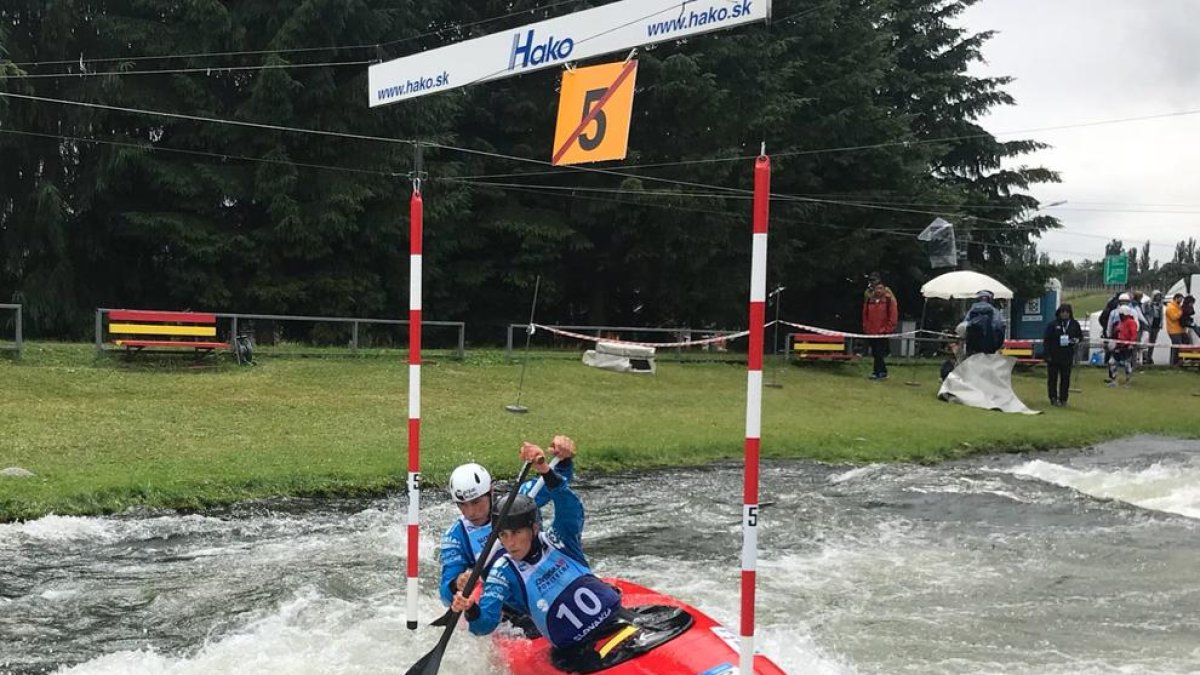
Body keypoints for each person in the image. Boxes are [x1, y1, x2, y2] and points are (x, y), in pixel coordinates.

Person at [452, 442, 691, 673]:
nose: (510, 543)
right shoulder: (502, 572)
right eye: (503, 535)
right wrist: (471, 609)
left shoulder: (559, 539)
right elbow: (484, 625)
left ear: (534, 528)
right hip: (579, 655)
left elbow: (570, 507)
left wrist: (546, 471)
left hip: (620, 620)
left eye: (516, 533)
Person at [439, 436, 577, 611]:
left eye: (476, 502)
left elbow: (558, 482)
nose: (470, 512)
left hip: (551, 577)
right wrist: (456, 584)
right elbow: (444, 594)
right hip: (515, 603)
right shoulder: (455, 537)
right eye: (462, 505)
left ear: (490, 490)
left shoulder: (520, 500)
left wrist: (564, 459)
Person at [1043, 304, 1082, 407]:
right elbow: (1046, 340)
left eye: (1067, 312)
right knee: (1052, 378)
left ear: (1070, 313)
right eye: (1062, 312)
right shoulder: (1053, 324)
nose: (1064, 314)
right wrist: (1047, 355)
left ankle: (1063, 399)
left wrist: (1076, 340)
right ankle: (1053, 397)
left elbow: (1080, 336)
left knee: (1065, 378)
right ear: (1059, 313)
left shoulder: (1074, 324)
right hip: (1054, 355)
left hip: (1067, 356)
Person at [862, 280, 898, 380]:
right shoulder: (869, 300)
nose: (878, 291)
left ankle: (878, 372)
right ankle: (881, 371)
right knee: (875, 352)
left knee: (879, 352)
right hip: (871, 332)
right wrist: (866, 327)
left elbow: (893, 316)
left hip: (882, 332)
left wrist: (887, 329)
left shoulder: (889, 301)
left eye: (880, 288)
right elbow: (865, 315)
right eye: (876, 288)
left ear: (884, 289)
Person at [963, 290, 1006, 356]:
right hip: (990, 345)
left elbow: (965, 324)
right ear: (990, 299)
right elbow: (1001, 324)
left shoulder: (971, 310)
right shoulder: (995, 311)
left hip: (973, 345)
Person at [1107, 307, 1139, 386]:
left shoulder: (1132, 322)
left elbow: (1134, 334)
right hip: (1118, 346)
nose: (1120, 316)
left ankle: (1128, 381)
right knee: (1112, 362)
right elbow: (1116, 334)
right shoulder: (1119, 323)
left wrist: (1131, 344)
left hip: (1127, 347)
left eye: (1121, 314)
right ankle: (1114, 380)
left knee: (1126, 364)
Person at [1165, 293, 1185, 365]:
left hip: (1179, 330)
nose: (1181, 301)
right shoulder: (1170, 307)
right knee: (1176, 347)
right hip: (1173, 330)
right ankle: (1173, 363)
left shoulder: (1177, 307)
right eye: (1180, 299)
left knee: (1177, 347)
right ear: (1176, 298)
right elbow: (1173, 317)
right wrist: (1181, 313)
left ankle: (1176, 362)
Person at [1145, 290, 1164, 364]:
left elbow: (1161, 315)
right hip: (1150, 324)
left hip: (1157, 324)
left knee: (1153, 341)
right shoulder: (1148, 304)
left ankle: (1149, 357)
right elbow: (1145, 312)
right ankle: (1146, 356)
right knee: (1148, 341)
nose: (1158, 297)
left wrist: (1161, 323)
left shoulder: (1160, 305)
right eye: (1157, 296)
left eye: (1159, 296)